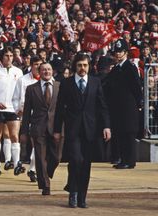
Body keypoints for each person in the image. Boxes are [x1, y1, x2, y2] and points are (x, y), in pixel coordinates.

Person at [53, 52, 111, 208]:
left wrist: (106, 126)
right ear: (75, 66)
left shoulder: (95, 82)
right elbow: (59, 108)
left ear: (89, 66)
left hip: (90, 130)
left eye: (85, 65)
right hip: (73, 130)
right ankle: (73, 192)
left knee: (86, 164)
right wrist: (57, 130)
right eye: (79, 65)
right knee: (76, 160)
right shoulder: (66, 83)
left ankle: (82, 198)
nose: (82, 68)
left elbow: (102, 106)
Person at [20, 62, 61, 195]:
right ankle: (45, 185)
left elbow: (64, 110)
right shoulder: (31, 89)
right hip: (38, 128)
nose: (46, 72)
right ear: (39, 72)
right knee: (40, 157)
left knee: (56, 157)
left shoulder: (59, 87)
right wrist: (24, 132)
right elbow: (26, 112)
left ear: (52, 71)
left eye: (49, 69)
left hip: (56, 128)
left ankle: (47, 172)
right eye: (44, 70)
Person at [0, 46, 24, 176]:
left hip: (13, 108)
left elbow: (21, 91)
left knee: (14, 136)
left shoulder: (18, 72)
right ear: (2, 57)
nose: (9, 58)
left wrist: (20, 106)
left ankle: (17, 163)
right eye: (7, 56)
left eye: (11, 56)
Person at [106, 39, 143, 169]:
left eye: (120, 51)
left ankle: (130, 160)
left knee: (128, 133)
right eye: (116, 52)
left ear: (125, 52)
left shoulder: (130, 67)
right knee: (120, 132)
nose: (117, 54)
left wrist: (139, 103)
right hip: (118, 106)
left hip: (129, 106)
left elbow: (136, 87)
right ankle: (123, 159)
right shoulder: (116, 69)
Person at [12, 55, 43, 182]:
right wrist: (17, 110)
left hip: (39, 116)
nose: (38, 67)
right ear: (31, 65)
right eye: (36, 64)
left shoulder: (47, 79)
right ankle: (17, 162)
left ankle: (32, 169)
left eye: (40, 64)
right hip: (25, 114)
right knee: (22, 140)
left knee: (37, 142)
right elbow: (15, 98)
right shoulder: (23, 80)